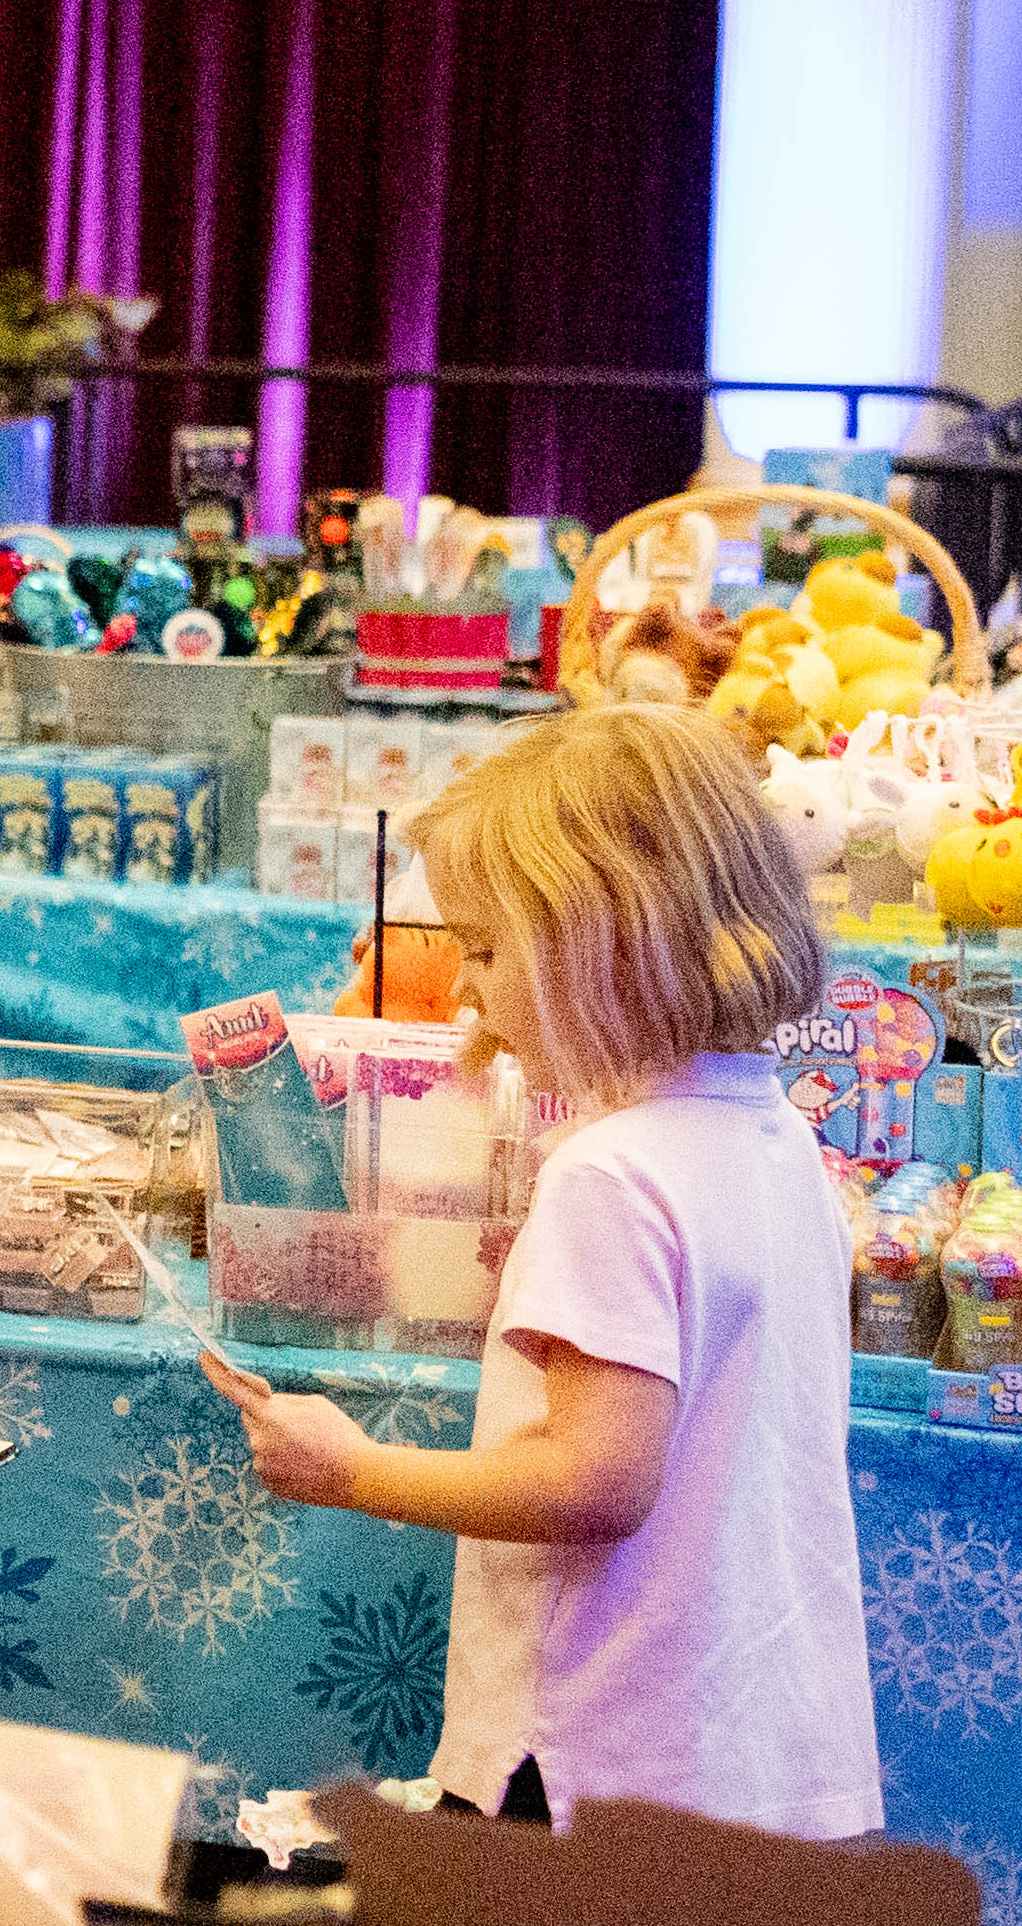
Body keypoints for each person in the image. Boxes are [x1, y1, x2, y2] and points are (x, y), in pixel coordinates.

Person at [198, 703, 878, 1836]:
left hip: (590, 1757)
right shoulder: (775, 1140)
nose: (463, 989)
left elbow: (593, 1482)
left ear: (597, 939)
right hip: (753, 1744)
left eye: (480, 947)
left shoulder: (608, 1174)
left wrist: (350, 1468)